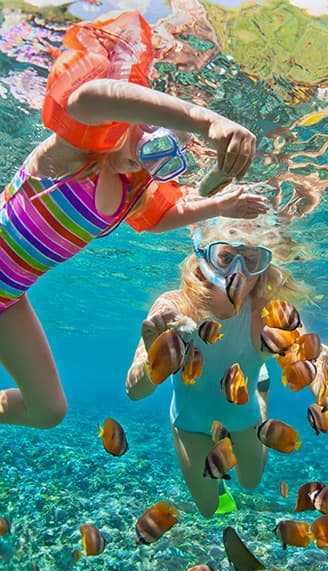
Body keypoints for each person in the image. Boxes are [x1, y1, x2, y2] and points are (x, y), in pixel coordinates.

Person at [0, 11, 267, 430]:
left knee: (48, 411)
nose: (147, 148)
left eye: (164, 155)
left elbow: (164, 217)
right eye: (150, 130)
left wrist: (218, 207)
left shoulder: (130, 189)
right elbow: (87, 98)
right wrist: (207, 121)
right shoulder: (77, 151)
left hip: (7, 300)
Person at [125, 216, 312, 517]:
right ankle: (255, 388)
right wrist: (153, 360)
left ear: (262, 268)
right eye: (225, 257)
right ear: (203, 257)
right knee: (209, 508)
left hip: (244, 413)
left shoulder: (266, 311)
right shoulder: (174, 306)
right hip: (190, 422)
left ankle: (261, 395)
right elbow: (134, 392)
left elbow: (307, 354)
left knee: (250, 483)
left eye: (251, 260)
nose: (236, 272)